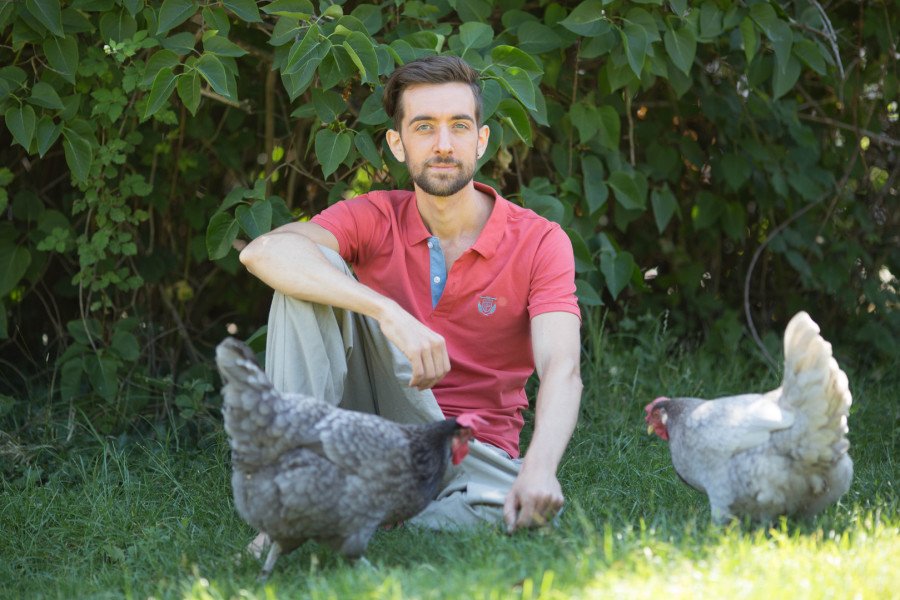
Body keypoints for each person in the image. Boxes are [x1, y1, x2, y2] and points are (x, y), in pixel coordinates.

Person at [238, 55, 582, 539]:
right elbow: (263, 251)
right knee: (306, 275)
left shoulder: (540, 241)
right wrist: (386, 311)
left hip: (466, 450)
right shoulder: (373, 215)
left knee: (520, 507)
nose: (444, 144)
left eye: (459, 126)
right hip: (371, 433)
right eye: (424, 127)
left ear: (481, 140)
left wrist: (541, 469)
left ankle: (355, 514)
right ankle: (293, 499)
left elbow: (562, 367)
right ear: (397, 144)